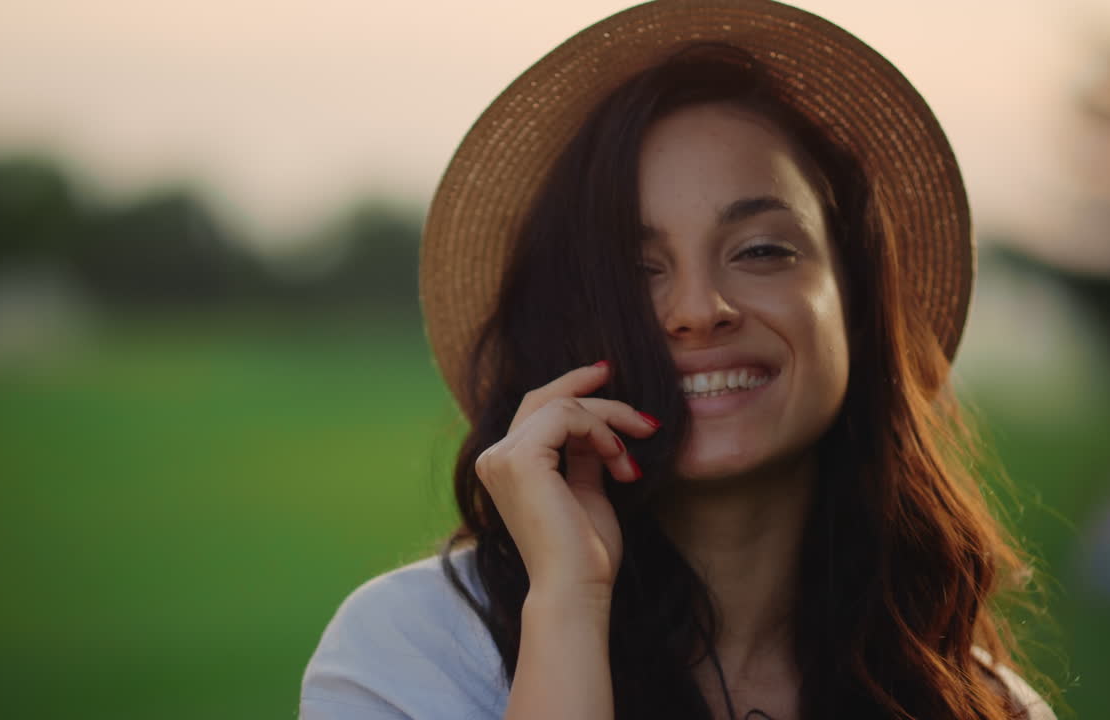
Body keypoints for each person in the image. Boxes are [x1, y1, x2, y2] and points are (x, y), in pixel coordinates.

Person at [301, 1, 1059, 718]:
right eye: (636, 270)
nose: (699, 310)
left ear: (857, 304)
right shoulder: (409, 654)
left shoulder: (984, 703)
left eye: (761, 250)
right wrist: (568, 602)